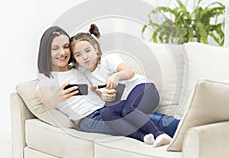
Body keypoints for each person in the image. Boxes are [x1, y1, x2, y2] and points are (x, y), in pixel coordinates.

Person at [36, 25, 179, 147]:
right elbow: (44, 97)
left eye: (65, 47)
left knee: (135, 114)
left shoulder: (81, 69)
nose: (62, 52)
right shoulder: (47, 79)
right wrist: (54, 98)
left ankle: (177, 127)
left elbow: (97, 87)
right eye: (55, 48)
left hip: (108, 108)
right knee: (128, 120)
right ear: (46, 51)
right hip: (88, 119)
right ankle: (177, 128)